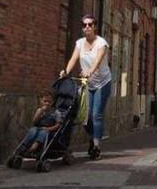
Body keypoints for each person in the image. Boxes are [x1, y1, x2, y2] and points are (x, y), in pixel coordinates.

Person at [61, 14, 111, 160]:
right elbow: (73, 59)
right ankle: (94, 135)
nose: (87, 27)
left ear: (95, 27)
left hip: (103, 83)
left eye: (90, 24)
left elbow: (98, 60)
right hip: (88, 84)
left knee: (96, 115)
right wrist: (66, 71)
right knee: (84, 117)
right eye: (84, 25)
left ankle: (96, 147)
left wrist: (90, 71)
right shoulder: (80, 43)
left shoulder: (101, 43)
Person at [18, 91, 63, 157]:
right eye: (45, 101)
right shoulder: (39, 110)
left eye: (49, 102)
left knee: (43, 133)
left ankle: (33, 149)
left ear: (53, 102)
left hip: (49, 130)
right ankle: (23, 147)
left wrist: (49, 129)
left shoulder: (56, 112)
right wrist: (39, 114)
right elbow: (34, 122)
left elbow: (58, 125)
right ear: (41, 101)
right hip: (38, 128)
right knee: (33, 130)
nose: (47, 103)